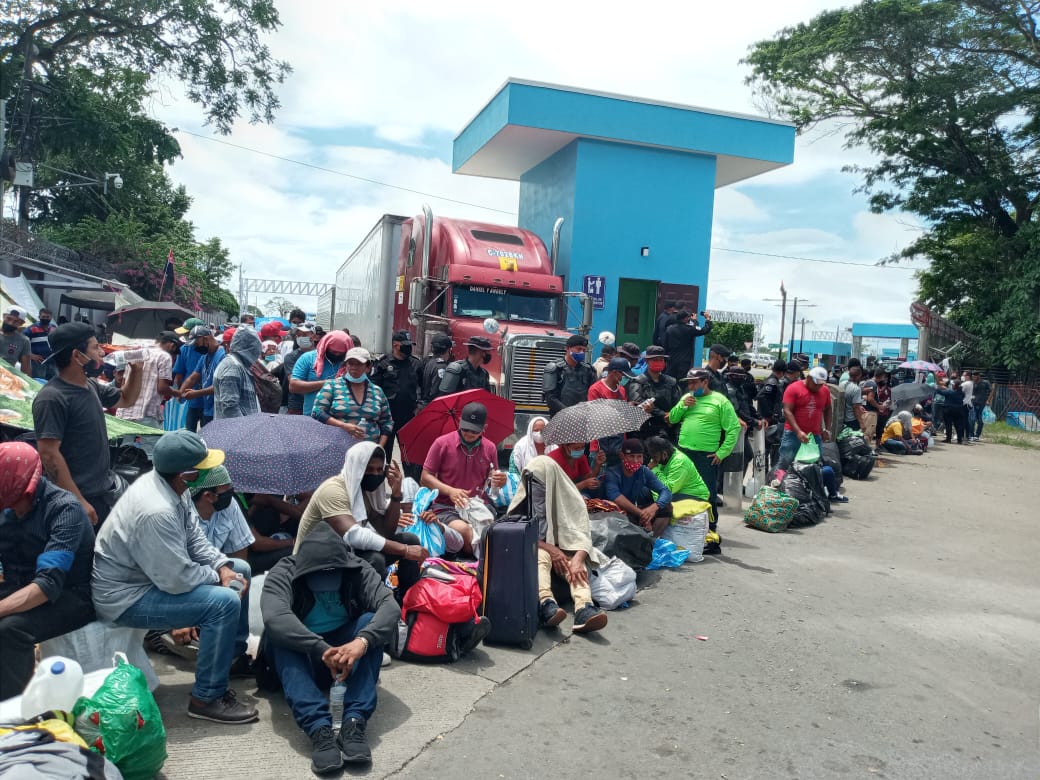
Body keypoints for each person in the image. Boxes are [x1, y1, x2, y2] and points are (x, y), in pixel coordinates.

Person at [92, 430, 258, 723]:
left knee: (239, 570)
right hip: (126, 597)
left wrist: (222, 565)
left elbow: (194, 539)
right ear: (186, 475)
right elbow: (177, 579)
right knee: (224, 602)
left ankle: (229, 659)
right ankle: (206, 698)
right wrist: (218, 579)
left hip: (151, 577)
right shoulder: (156, 510)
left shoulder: (171, 486)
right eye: (202, 468)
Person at [260, 523, 398, 770]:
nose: (327, 578)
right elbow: (275, 617)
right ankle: (319, 729)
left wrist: (361, 642)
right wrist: (320, 648)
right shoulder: (285, 571)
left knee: (371, 626)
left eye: (332, 573)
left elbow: (390, 608)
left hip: (345, 657)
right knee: (278, 635)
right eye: (319, 574)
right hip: (306, 660)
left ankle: (354, 722)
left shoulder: (358, 569)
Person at [0, 443, 96, 699]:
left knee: (10, 629)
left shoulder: (64, 510)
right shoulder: (7, 510)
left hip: (70, 595)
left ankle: (11, 713)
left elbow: (47, 585)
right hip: (21, 585)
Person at [32, 322, 143, 527]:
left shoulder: (90, 385)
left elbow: (126, 399)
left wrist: (136, 370)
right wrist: (78, 500)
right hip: (77, 499)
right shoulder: (52, 397)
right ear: (77, 356)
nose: (101, 352)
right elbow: (48, 454)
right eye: (94, 347)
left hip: (100, 492)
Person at [293, 442, 430, 602]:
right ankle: (369, 607)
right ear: (357, 469)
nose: (375, 475)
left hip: (345, 553)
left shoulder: (366, 492)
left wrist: (396, 493)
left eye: (379, 470)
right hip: (317, 561)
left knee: (410, 539)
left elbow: (386, 531)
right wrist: (404, 550)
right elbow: (354, 535)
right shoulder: (333, 490)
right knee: (376, 559)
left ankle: (407, 601)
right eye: (369, 470)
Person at [508, 456, 608, 634]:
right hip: (541, 548)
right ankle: (546, 604)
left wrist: (577, 560)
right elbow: (517, 533)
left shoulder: (572, 499)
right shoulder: (525, 499)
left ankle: (584, 608)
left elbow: (583, 536)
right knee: (539, 558)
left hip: (566, 549)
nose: (535, 489)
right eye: (532, 483)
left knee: (578, 568)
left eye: (540, 484)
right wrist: (551, 549)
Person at [668, 368, 740, 548]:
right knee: (681, 489)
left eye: (694, 382)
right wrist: (683, 405)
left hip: (706, 455)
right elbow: (673, 419)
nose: (690, 386)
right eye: (689, 383)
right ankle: (684, 525)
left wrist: (722, 453)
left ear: (705, 382)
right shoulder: (687, 398)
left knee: (707, 492)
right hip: (684, 452)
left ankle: (710, 529)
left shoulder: (720, 401)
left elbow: (733, 429)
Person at [421, 402, 505, 555]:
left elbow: (492, 481)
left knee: (493, 535)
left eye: (474, 431)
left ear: (484, 428)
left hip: (478, 506)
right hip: (446, 506)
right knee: (464, 532)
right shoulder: (442, 443)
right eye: (465, 429)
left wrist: (499, 481)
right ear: (459, 421)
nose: (468, 434)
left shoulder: (490, 447)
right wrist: (450, 491)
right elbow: (425, 477)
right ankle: (474, 559)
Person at [312, 347, 393, 448]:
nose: (354, 367)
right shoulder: (332, 386)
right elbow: (317, 412)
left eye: (359, 363)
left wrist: (379, 447)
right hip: (337, 448)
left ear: (368, 367)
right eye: (351, 363)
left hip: (369, 450)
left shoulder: (377, 391)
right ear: (345, 365)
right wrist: (343, 426)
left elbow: (387, 422)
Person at [601, 439, 673, 536]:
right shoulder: (612, 472)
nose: (635, 461)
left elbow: (666, 491)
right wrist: (641, 514)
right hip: (615, 512)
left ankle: (653, 541)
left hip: (635, 511)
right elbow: (615, 496)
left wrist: (653, 508)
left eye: (639, 457)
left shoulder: (643, 471)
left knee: (667, 507)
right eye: (631, 456)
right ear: (622, 456)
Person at [370, 330, 421, 465]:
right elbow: (374, 390)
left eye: (410, 344)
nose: (409, 348)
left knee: (410, 458)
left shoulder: (416, 364)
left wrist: (419, 407)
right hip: (387, 417)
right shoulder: (382, 364)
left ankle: (410, 484)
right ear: (395, 345)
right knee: (383, 456)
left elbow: (423, 387)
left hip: (408, 417)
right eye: (405, 345)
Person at [114, 334, 177, 428]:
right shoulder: (165, 356)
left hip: (124, 414)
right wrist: (178, 393)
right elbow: (162, 388)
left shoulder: (136, 353)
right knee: (151, 442)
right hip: (146, 414)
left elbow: (123, 386)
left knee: (125, 442)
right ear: (172, 346)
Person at [777, 366, 833, 472]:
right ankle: (779, 484)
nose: (818, 387)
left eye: (821, 384)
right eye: (816, 383)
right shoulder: (793, 388)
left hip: (815, 435)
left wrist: (827, 429)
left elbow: (828, 409)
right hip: (793, 434)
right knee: (786, 462)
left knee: (815, 464)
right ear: (809, 378)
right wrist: (798, 431)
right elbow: (787, 411)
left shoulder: (824, 390)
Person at [291, 329, 352, 417]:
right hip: (312, 417)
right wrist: (328, 383)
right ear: (325, 347)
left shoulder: (351, 363)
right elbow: (294, 386)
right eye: (333, 352)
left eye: (341, 353)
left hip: (343, 419)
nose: (337, 355)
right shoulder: (308, 359)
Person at [627, 345, 680, 440]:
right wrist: (663, 415)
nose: (659, 362)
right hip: (645, 432)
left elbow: (678, 404)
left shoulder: (671, 382)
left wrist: (672, 417)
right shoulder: (638, 381)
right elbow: (638, 403)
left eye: (661, 360)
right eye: (655, 360)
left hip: (668, 431)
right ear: (647, 361)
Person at [179, 325, 226, 430]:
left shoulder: (223, 356)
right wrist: (180, 392)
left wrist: (196, 393)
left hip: (219, 410)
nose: (195, 347)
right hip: (207, 408)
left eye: (197, 343)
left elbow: (220, 386)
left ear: (206, 338)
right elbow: (193, 378)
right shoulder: (204, 357)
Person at [587, 357, 632, 466]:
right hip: (600, 446)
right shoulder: (596, 389)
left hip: (618, 444)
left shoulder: (621, 390)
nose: (624, 378)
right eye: (623, 375)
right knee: (598, 480)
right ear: (614, 372)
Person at [212, 327, 262, 419]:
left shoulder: (240, 365)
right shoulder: (232, 366)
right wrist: (243, 429)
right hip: (236, 430)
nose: (257, 353)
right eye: (255, 348)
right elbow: (230, 407)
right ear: (247, 348)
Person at [543, 334, 597, 416]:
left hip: (582, 417)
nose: (581, 352)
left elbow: (594, 396)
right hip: (559, 418)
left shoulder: (589, 370)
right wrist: (569, 412)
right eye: (578, 349)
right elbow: (550, 398)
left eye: (584, 350)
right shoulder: (555, 368)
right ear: (567, 348)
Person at [645, 436, 710, 503]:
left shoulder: (680, 462)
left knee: (661, 501)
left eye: (655, 457)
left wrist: (654, 469)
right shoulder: (658, 457)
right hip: (676, 492)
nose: (652, 460)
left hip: (695, 496)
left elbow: (668, 490)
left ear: (664, 454)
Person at [664, 310, 713, 380]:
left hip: (671, 359)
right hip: (684, 361)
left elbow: (665, 345)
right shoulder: (689, 329)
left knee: (669, 380)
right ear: (685, 318)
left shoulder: (669, 329)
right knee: (682, 381)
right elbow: (704, 330)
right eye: (688, 317)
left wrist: (665, 359)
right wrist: (707, 319)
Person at [283, 321, 316, 415]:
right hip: (297, 406)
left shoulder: (321, 355)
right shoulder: (291, 357)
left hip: (317, 404)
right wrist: (322, 383)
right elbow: (295, 385)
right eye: (299, 335)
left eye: (305, 334)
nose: (301, 337)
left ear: (313, 336)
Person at [418, 333, 453, 409]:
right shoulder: (441, 367)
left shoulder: (428, 361)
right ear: (448, 350)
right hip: (433, 407)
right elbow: (437, 392)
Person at [934, 378, 967, 444]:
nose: (952, 385)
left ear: (955, 385)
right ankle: (959, 440)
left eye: (953, 384)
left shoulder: (950, 392)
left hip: (948, 410)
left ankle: (948, 439)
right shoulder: (962, 393)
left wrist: (937, 387)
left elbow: (941, 392)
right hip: (958, 410)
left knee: (948, 425)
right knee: (958, 425)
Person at [26, 307, 56, 380]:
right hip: (38, 363)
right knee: (39, 382)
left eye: (47, 317)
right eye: (43, 317)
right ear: (39, 317)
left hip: (52, 362)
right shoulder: (31, 329)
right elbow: (21, 343)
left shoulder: (54, 328)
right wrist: (31, 355)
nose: (45, 318)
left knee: (53, 382)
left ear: (51, 317)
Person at [839, 359, 868, 434]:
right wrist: (861, 423)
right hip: (852, 420)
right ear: (858, 376)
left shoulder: (842, 384)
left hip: (843, 418)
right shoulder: (856, 389)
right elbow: (856, 408)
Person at [1, 307, 31, 375]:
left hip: (5, 380)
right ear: (3, 316)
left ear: (22, 323)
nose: (11, 323)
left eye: (16, 321)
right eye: (9, 318)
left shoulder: (24, 341)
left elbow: (26, 370)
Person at [970, 370, 992, 441]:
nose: (973, 377)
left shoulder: (985, 382)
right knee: (972, 419)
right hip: (973, 403)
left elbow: (992, 390)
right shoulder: (972, 383)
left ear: (978, 376)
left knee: (980, 420)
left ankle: (977, 435)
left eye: (975, 376)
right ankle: (971, 435)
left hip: (982, 403)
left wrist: (988, 400)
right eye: (972, 376)